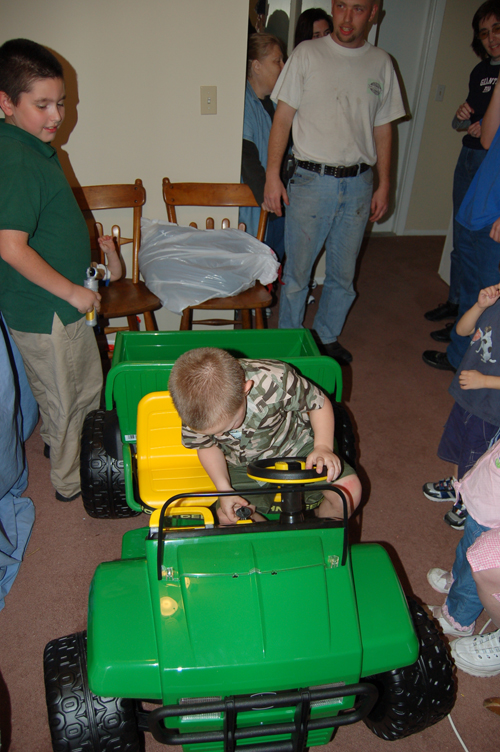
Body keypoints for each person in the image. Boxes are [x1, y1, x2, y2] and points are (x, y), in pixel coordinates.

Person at [0, 39, 116, 502]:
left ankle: (63, 453)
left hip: (59, 308)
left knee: (80, 389)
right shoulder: (17, 158)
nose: (56, 115)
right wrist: (72, 292)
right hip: (50, 311)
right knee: (71, 399)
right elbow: (10, 247)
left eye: (61, 103)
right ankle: (73, 484)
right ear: (6, 102)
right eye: (41, 104)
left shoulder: (31, 149)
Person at [263, 0, 405, 366]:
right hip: (312, 182)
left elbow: (383, 128)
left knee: (343, 274)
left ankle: (326, 337)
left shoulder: (382, 63)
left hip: (359, 182)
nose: (346, 17)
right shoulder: (307, 54)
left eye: (358, 9)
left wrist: (384, 183)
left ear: (374, 13)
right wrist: (272, 176)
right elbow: (282, 119)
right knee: (297, 274)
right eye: (340, 6)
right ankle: (290, 343)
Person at [168, 347, 361, 526]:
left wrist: (323, 447)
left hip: (296, 445)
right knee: (228, 515)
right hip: (240, 463)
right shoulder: (193, 407)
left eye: (230, 426)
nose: (220, 436)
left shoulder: (276, 379)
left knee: (349, 492)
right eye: (212, 433)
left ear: (246, 389)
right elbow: (207, 446)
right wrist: (224, 490)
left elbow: (318, 403)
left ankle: (320, 527)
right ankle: (272, 547)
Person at [424, 2, 500, 361]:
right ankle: (459, 321)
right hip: (474, 163)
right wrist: (462, 118)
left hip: (491, 176)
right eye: (484, 33)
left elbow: (489, 136)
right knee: (462, 248)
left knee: (483, 268)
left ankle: (468, 351)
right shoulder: (482, 72)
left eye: (497, 29)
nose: (491, 39)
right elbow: (475, 130)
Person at [423, 284, 500, 530]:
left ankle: (470, 499)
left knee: (476, 455)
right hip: (467, 396)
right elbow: (462, 329)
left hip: (490, 407)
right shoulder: (494, 303)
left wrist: (484, 380)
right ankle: (459, 485)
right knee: (458, 445)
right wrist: (479, 305)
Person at [426, 438, 500, 677]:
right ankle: (455, 580)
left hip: (492, 517)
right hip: (482, 502)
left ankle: (458, 617)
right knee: (464, 552)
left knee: (472, 572)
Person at [240, 33, 286, 261]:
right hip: (260, 205)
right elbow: (246, 159)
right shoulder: (244, 104)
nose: (283, 66)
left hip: (277, 200)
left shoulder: (276, 103)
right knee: (260, 264)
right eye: (277, 61)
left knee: (275, 262)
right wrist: (271, 203)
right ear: (256, 66)